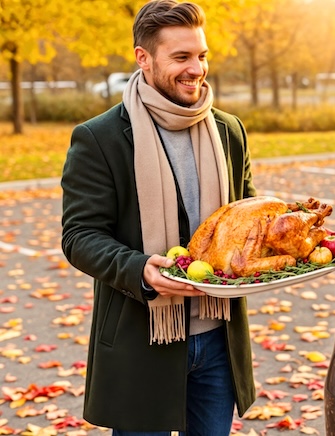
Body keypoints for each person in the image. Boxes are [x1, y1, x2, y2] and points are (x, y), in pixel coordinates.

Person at [60, 1, 256, 434]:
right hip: (142, 338)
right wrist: (140, 269)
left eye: (201, 55)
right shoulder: (99, 138)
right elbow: (79, 235)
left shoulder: (229, 130)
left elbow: (246, 217)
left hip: (217, 338)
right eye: (181, 57)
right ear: (143, 58)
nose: (196, 69)